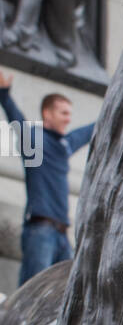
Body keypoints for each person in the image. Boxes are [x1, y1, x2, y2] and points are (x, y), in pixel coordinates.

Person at [0, 67, 94, 283]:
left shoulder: (65, 144)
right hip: (40, 231)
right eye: (63, 113)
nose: (69, 119)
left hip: (62, 234)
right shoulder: (34, 141)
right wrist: (4, 95)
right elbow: (17, 120)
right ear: (47, 114)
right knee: (33, 292)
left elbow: (91, 130)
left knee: (65, 293)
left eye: (70, 113)